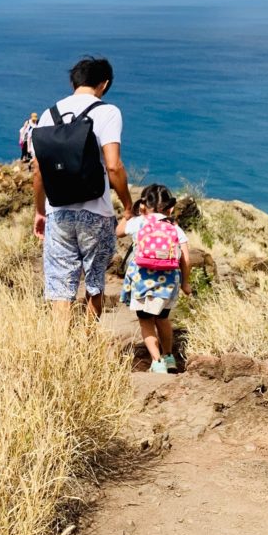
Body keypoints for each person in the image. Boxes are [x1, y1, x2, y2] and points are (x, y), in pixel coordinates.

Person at [33, 56, 133, 323]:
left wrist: (40, 211)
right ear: (105, 83)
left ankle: (59, 349)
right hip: (96, 213)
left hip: (59, 213)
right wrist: (128, 206)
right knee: (95, 282)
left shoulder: (48, 114)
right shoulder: (107, 112)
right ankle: (88, 348)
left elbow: (38, 170)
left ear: (73, 81)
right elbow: (113, 166)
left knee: (60, 289)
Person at [118, 184, 192, 374]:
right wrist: (185, 282)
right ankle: (169, 357)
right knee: (163, 319)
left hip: (142, 280)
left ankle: (156, 362)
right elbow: (186, 258)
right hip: (168, 282)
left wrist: (128, 214)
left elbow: (118, 231)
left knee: (145, 321)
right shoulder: (174, 227)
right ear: (171, 208)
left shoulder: (139, 222)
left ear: (143, 205)